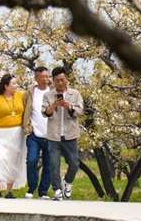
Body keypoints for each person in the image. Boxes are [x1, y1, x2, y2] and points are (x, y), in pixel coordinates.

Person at [42, 66, 84, 200]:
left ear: (67, 79)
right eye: (57, 80)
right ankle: (57, 190)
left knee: (74, 163)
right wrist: (54, 105)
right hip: (53, 136)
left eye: (62, 80)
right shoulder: (48, 95)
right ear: (53, 81)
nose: (60, 83)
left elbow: (80, 111)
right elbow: (45, 113)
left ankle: (67, 181)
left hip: (70, 135)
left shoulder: (75, 94)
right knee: (54, 164)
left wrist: (69, 107)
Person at [0, 73, 27, 199]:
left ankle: (9, 191)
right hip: (0, 133)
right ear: (6, 86)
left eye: (16, 83)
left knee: (13, 160)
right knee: (0, 159)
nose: (16, 86)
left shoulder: (21, 96)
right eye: (13, 84)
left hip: (17, 134)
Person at [22, 66, 51, 199]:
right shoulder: (29, 93)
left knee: (49, 164)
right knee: (32, 160)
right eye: (42, 77)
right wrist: (26, 127)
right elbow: (24, 110)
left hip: (51, 135)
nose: (45, 79)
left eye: (47, 76)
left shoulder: (53, 92)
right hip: (34, 134)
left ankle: (43, 191)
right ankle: (32, 187)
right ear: (36, 78)